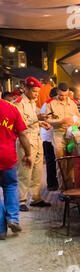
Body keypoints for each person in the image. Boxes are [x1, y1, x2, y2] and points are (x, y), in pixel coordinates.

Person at [14, 77, 52, 211]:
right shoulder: (19, 103)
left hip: (37, 138)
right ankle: (21, 201)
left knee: (37, 171)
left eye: (38, 91)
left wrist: (41, 123)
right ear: (26, 88)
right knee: (25, 171)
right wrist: (38, 118)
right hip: (25, 140)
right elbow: (21, 124)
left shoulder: (32, 102)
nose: (37, 94)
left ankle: (35, 198)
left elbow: (32, 121)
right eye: (35, 91)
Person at [0, 90, 33, 239]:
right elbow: (22, 134)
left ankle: (1, 230)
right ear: (0, 91)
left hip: (7, 158)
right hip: (7, 157)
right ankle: (13, 218)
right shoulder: (12, 108)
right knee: (10, 186)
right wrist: (28, 154)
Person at [45, 82, 80, 189]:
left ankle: (70, 188)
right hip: (58, 134)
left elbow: (79, 118)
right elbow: (47, 120)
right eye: (61, 95)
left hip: (71, 135)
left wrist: (76, 124)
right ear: (57, 92)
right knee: (60, 163)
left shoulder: (73, 103)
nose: (63, 97)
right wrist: (61, 121)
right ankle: (63, 189)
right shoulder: (51, 103)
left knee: (71, 162)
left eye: (65, 95)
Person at [40, 87, 58, 191]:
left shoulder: (51, 104)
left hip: (51, 136)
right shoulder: (48, 105)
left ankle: (55, 182)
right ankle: (51, 184)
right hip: (48, 137)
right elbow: (46, 121)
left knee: (53, 161)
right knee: (50, 161)